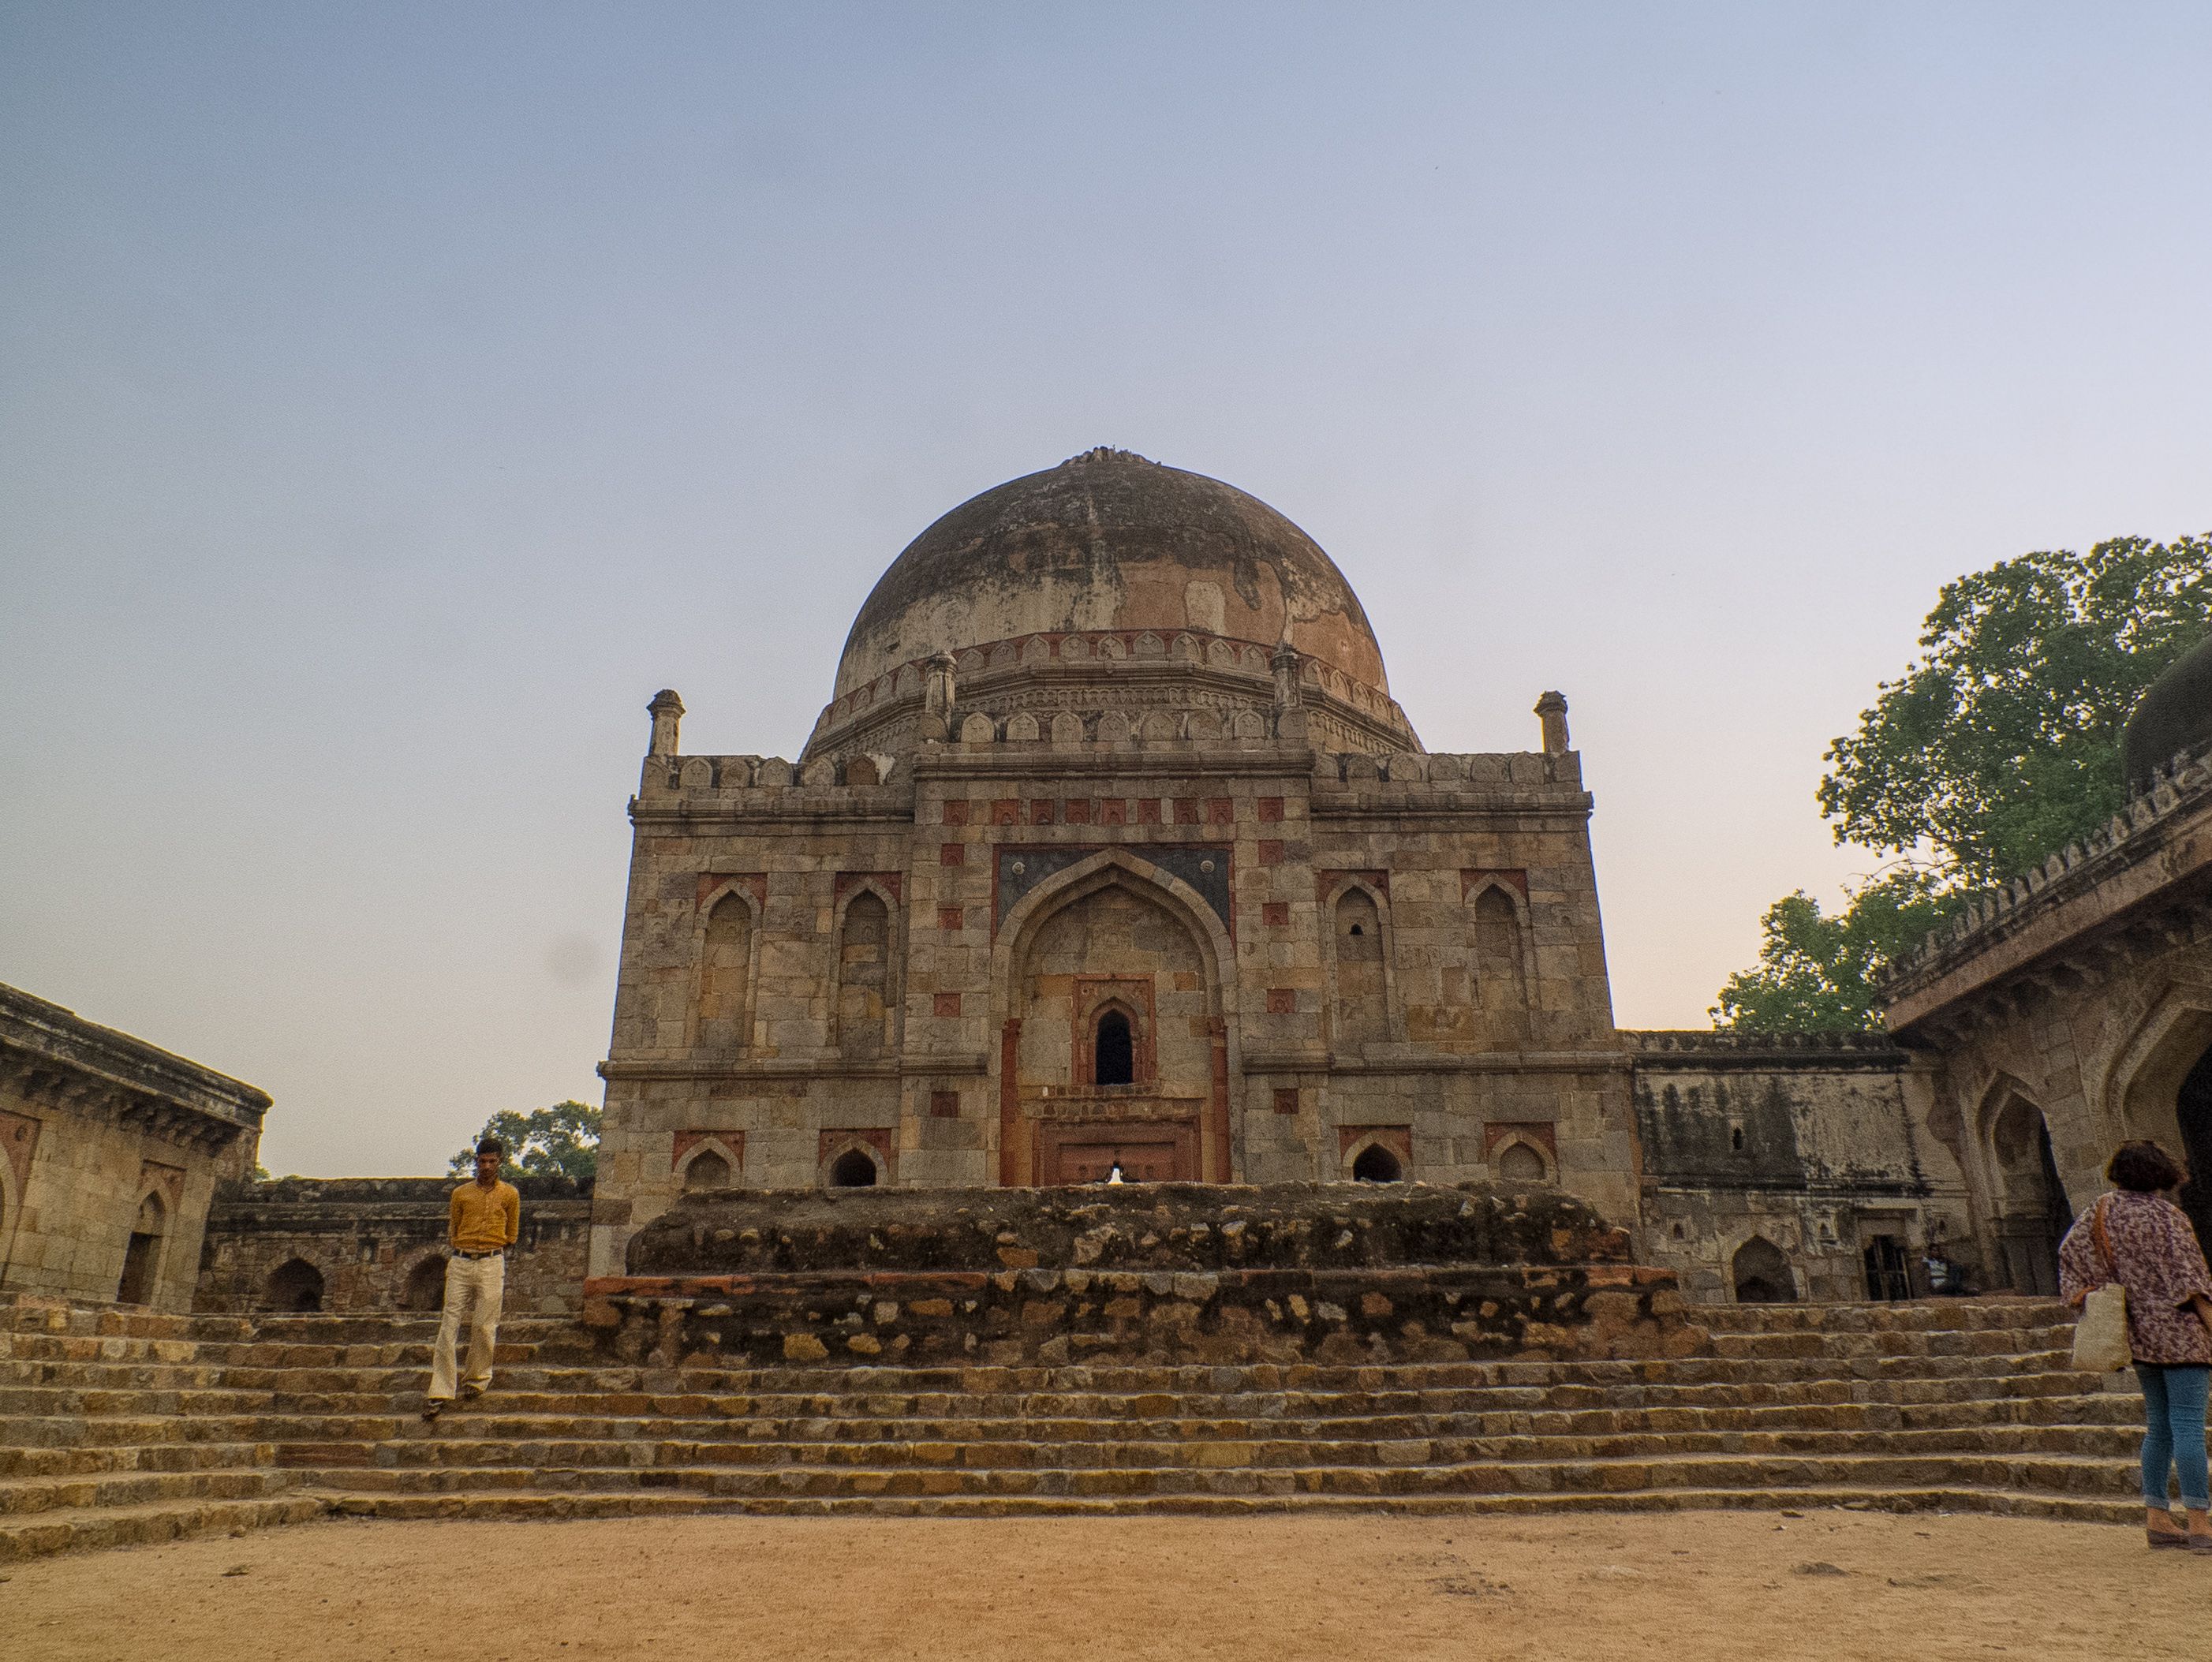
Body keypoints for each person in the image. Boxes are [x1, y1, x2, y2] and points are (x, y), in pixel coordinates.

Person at [2059, 1138, 2212, 1552]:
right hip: (2181, 1335)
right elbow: (2192, 1282)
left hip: (2138, 1333)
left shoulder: (2101, 1212)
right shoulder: (2168, 1216)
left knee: (2159, 1428)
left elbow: (2070, 1257)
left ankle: (2158, 1518)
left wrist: (2098, 1293)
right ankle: (2200, 1522)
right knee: (2187, 1427)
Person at [421, 1137, 521, 1422]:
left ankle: (477, 1379)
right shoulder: (461, 1194)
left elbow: (512, 1233)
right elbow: (454, 1227)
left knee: (484, 1325)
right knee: (448, 1325)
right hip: (461, 1260)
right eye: (482, 1161)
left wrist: (492, 1249)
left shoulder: (510, 1195)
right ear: (476, 1162)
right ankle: (440, 1390)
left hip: (491, 1260)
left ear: (500, 1162)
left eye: (492, 1161)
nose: (486, 1166)